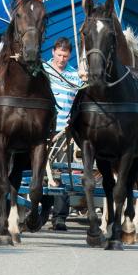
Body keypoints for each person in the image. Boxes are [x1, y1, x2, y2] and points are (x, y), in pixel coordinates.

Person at [43, 37, 83, 231]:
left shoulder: (74, 76)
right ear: (53, 52)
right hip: (43, 129)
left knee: (62, 173)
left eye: (65, 56)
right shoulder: (43, 71)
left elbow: (78, 101)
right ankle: (41, 210)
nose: (61, 60)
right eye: (59, 55)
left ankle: (59, 217)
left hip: (64, 132)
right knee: (41, 171)